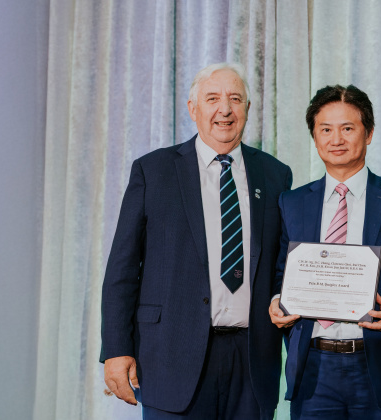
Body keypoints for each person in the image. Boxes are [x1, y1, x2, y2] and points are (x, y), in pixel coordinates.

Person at [100, 62, 292, 419]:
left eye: (236, 99)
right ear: (193, 108)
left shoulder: (276, 174)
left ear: (248, 110)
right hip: (170, 356)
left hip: (251, 361)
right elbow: (122, 269)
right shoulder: (152, 171)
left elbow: (281, 263)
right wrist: (115, 349)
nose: (225, 109)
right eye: (213, 98)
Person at [269, 85, 381, 419]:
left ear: (368, 134)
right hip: (314, 368)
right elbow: (280, 274)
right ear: (314, 137)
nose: (336, 139)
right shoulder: (292, 203)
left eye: (347, 128)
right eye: (325, 129)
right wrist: (275, 301)